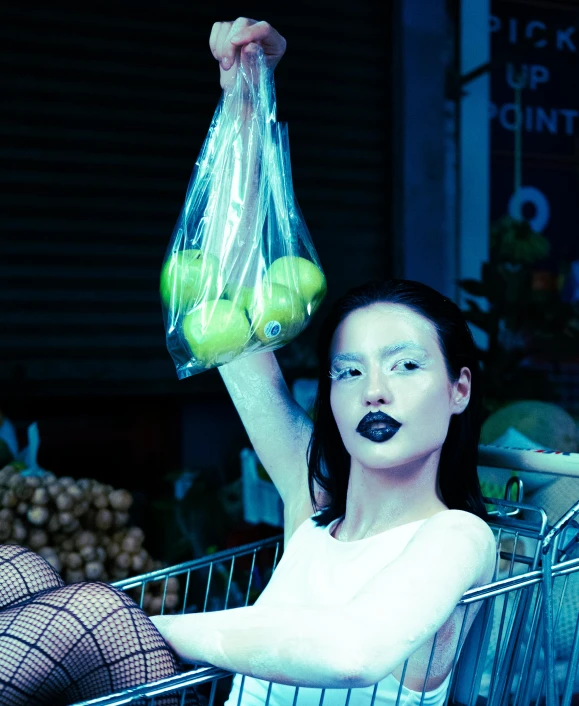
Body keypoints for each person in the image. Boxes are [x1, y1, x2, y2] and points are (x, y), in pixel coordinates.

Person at [0, 18, 497, 706]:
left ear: (458, 388)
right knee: (14, 572)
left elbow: (352, 654)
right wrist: (243, 102)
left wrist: (139, 625)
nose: (373, 392)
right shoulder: (314, 499)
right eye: (347, 371)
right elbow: (225, 309)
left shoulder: (456, 536)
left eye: (405, 367)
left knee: (90, 615)